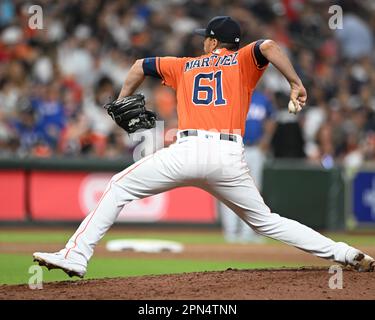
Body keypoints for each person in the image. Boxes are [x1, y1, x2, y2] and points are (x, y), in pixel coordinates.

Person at [33, 16, 374, 277]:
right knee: (266, 221)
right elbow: (269, 45)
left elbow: (139, 66)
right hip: (229, 157)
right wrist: (296, 83)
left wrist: (122, 99)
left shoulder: (183, 65)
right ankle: (343, 253)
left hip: (188, 150)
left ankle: (75, 256)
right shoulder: (242, 60)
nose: (204, 44)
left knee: (119, 187)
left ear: (212, 42)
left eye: (206, 39)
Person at [221, 89, 275, 243]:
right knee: (228, 187)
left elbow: (271, 119)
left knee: (254, 189)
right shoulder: (231, 95)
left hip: (255, 149)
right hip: (234, 147)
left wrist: (267, 139)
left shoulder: (262, 98)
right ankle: (231, 232)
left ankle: (249, 232)